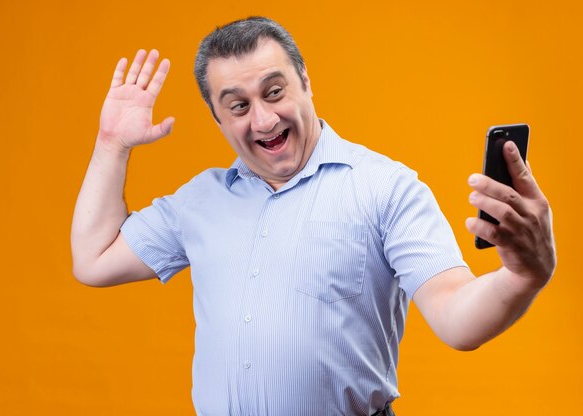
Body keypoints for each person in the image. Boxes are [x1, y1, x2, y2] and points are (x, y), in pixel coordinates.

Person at [71, 16, 556, 416]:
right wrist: (112, 145)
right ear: (217, 119)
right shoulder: (200, 201)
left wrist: (521, 276)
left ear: (305, 80)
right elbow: (93, 260)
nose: (262, 120)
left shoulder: (384, 188)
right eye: (238, 106)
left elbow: (457, 319)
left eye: (275, 92)